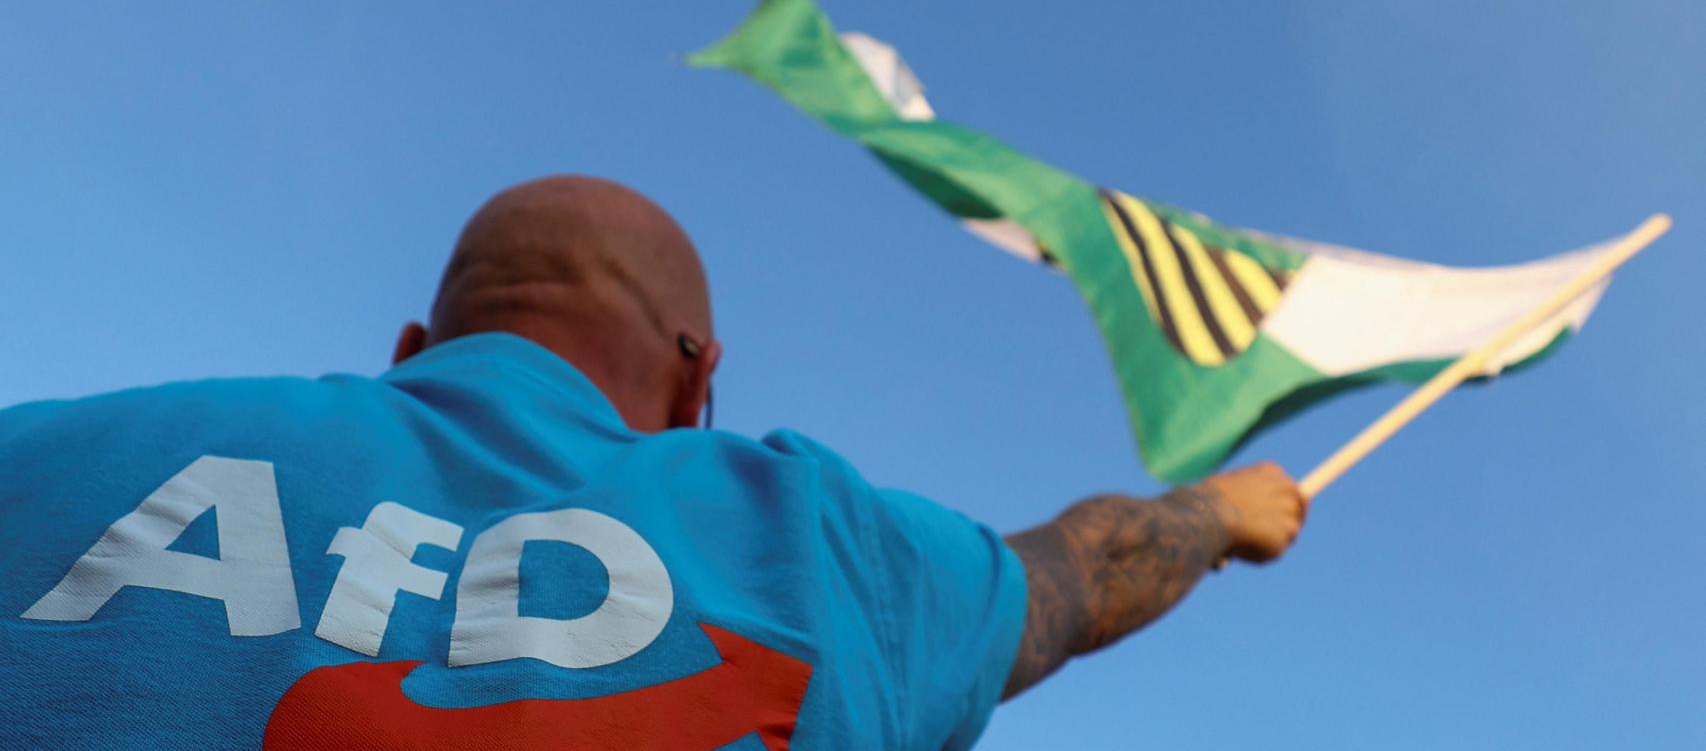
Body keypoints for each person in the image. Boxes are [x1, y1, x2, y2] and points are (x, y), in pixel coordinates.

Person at [0, 176, 1305, 750]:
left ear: (410, 349)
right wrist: (1219, 511)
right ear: (697, 382)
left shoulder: (46, 451)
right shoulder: (817, 547)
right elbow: (1077, 579)